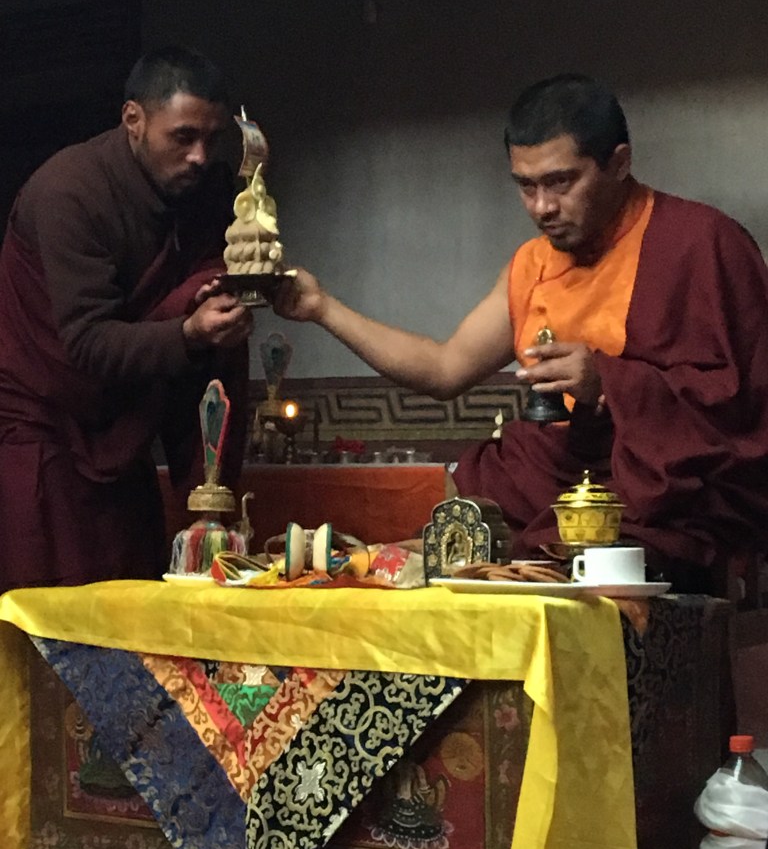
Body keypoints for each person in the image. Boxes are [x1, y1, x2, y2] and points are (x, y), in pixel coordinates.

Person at [274, 73, 768, 591]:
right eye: (526, 186)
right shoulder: (532, 266)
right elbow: (444, 369)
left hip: (655, 500)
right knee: (451, 526)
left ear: (619, 163)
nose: (542, 207)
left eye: (561, 182)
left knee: (563, 550)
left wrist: (607, 384)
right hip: (547, 482)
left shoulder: (699, 244)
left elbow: (743, 412)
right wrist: (322, 307)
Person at [0, 45, 252, 591]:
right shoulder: (71, 191)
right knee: (53, 611)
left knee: (135, 593)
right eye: (183, 137)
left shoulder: (202, 192)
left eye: (212, 139)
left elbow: (213, 272)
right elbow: (86, 343)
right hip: (47, 429)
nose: (200, 157)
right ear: (133, 119)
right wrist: (188, 331)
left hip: (126, 429)